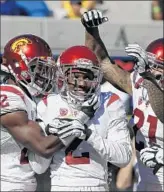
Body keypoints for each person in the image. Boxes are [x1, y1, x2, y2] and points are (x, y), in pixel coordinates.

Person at [81, 10, 164, 191]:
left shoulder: (147, 80)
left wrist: (149, 77)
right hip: (146, 181)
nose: (154, 71)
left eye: (159, 67)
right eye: (151, 65)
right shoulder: (139, 82)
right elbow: (101, 62)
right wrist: (91, 30)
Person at [37, 45, 132, 191]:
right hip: (61, 185)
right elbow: (39, 167)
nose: (81, 83)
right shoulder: (48, 104)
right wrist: (51, 133)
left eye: (87, 77)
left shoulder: (109, 102)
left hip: (98, 185)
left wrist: (89, 135)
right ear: (62, 76)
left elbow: (124, 158)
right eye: (75, 76)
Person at [0, 34, 63, 191]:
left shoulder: (29, 97)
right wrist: (79, 118)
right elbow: (43, 147)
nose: (43, 75)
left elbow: (39, 164)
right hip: (7, 182)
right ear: (17, 64)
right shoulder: (8, 95)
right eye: (37, 68)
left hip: (22, 183)